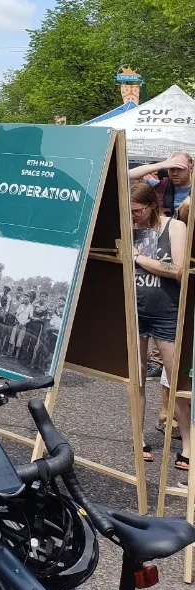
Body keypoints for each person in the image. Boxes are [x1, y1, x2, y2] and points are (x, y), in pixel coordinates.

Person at [131, 180, 191, 470]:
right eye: (128, 211)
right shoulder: (126, 225)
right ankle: (138, 438)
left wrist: (139, 258)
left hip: (167, 310)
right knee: (137, 378)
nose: (133, 217)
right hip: (135, 310)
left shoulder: (173, 227)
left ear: (152, 205)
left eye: (137, 211)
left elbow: (179, 271)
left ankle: (189, 445)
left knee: (175, 379)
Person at [129, 153, 194, 218]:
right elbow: (129, 175)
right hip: (160, 226)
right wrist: (162, 165)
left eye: (180, 169)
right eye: (171, 169)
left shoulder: (193, 191)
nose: (174, 173)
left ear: (191, 168)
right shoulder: (160, 186)